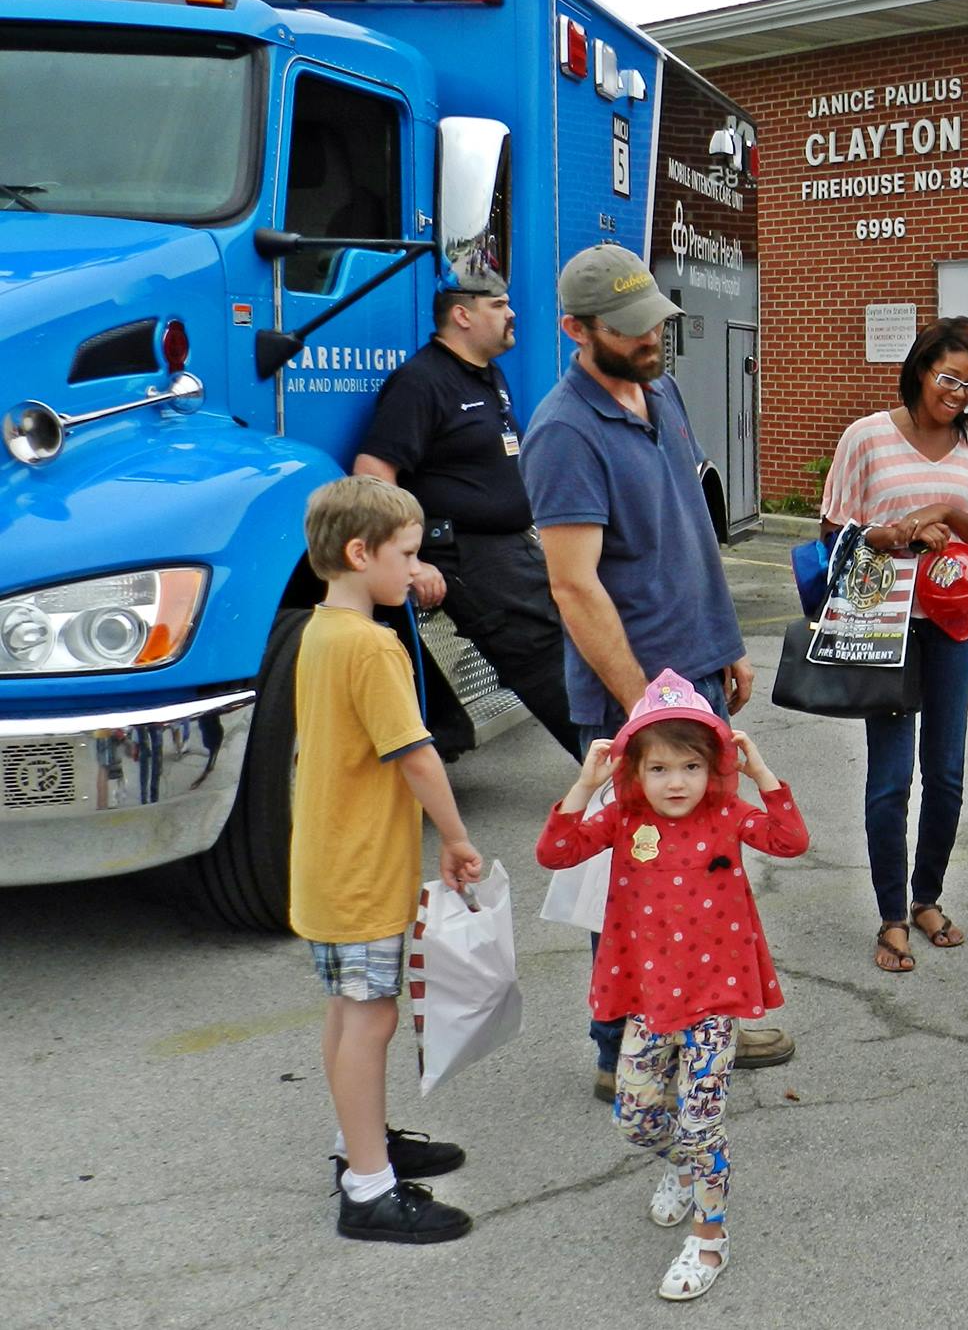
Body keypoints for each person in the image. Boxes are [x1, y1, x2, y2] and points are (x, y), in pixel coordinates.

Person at [521, 243, 793, 1091]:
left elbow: (687, 533)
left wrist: (724, 645)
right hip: (633, 703)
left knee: (703, 865)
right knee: (634, 878)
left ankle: (702, 1021)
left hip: (697, 677)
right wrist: (646, 713)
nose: (651, 339)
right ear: (575, 329)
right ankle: (625, 1052)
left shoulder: (662, 391)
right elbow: (574, 587)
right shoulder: (563, 431)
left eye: (655, 322)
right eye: (631, 329)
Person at [536, 670, 808, 1301]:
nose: (676, 782)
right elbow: (555, 853)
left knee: (701, 1124)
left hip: (715, 1000)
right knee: (633, 1118)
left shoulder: (726, 814)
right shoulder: (624, 819)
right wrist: (585, 785)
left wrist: (762, 769)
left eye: (690, 766)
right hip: (649, 1002)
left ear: (713, 767)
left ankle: (710, 1238)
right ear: (634, 771)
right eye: (659, 769)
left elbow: (791, 840)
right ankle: (682, 1168)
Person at [289, 475, 482, 1244]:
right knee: (372, 1020)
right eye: (405, 554)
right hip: (362, 871)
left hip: (329, 866)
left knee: (350, 1013)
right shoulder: (373, 647)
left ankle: (357, 1143)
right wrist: (459, 837)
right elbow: (417, 755)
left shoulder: (318, 631)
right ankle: (369, 1188)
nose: (414, 569)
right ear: (358, 551)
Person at [819, 316, 968, 974]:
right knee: (892, 777)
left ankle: (927, 895)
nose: (960, 395)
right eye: (950, 378)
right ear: (920, 368)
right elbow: (833, 528)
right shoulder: (867, 437)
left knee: (949, 772)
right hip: (884, 622)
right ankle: (892, 915)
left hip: (956, 623)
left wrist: (947, 516)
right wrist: (885, 534)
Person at [354, 283, 580, 758]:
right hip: (464, 553)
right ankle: (617, 771)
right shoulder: (421, 381)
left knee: (572, 638)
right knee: (539, 655)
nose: (511, 313)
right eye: (498, 305)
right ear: (461, 315)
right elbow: (373, 473)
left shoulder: (487, 375)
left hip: (510, 546)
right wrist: (412, 561)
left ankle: (627, 763)